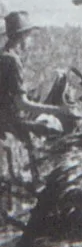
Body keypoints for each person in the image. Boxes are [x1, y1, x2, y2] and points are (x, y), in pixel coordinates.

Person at [0, 10, 43, 184]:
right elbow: (22, 103)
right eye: (30, 36)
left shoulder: (2, 56)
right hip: (10, 118)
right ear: (22, 37)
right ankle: (38, 182)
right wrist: (58, 110)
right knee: (49, 130)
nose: (31, 41)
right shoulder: (13, 61)